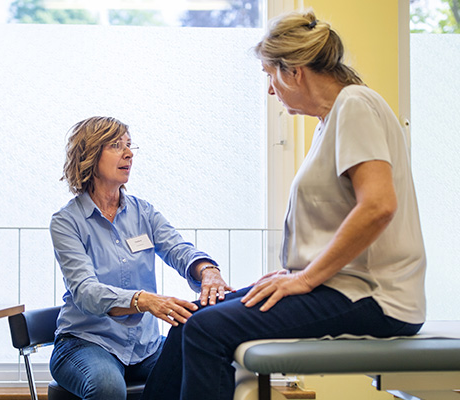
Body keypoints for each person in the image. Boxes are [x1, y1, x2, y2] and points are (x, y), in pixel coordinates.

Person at [141, 10, 426, 400]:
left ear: (294, 71)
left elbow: (378, 206)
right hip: (341, 286)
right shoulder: (333, 118)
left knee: (208, 331)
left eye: (269, 76)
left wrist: (305, 278)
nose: (271, 91)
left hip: (375, 298)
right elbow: (343, 217)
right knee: (191, 318)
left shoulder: (355, 105)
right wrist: (297, 270)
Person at [49, 116, 234, 400]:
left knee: (212, 366)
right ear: (89, 156)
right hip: (86, 343)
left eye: (129, 145)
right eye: (115, 145)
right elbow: (86, 292)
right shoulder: (67, 222)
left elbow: (178, 249)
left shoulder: (143, 212)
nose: (129, 153)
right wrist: (143, 300)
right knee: (108, 388)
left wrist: (208, 270)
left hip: (144, 347)